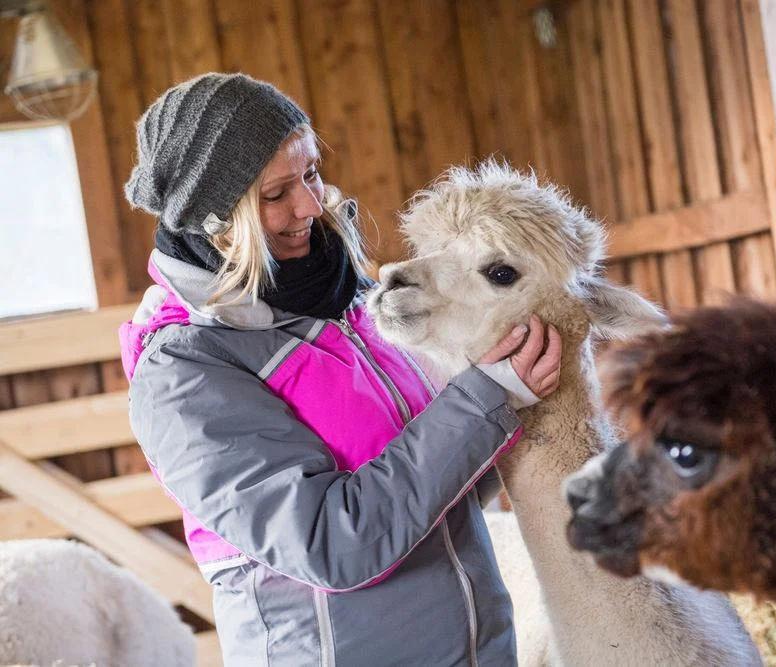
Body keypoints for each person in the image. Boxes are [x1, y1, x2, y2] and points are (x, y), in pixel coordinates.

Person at [119, 72, 561, 666]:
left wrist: (515, 399)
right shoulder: (184, 371)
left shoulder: (350, 303)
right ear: (213, 221)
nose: (310, 203)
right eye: (275, 195)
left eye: (310, 172)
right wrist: (484, 399)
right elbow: (333, 544)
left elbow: (440, 490)